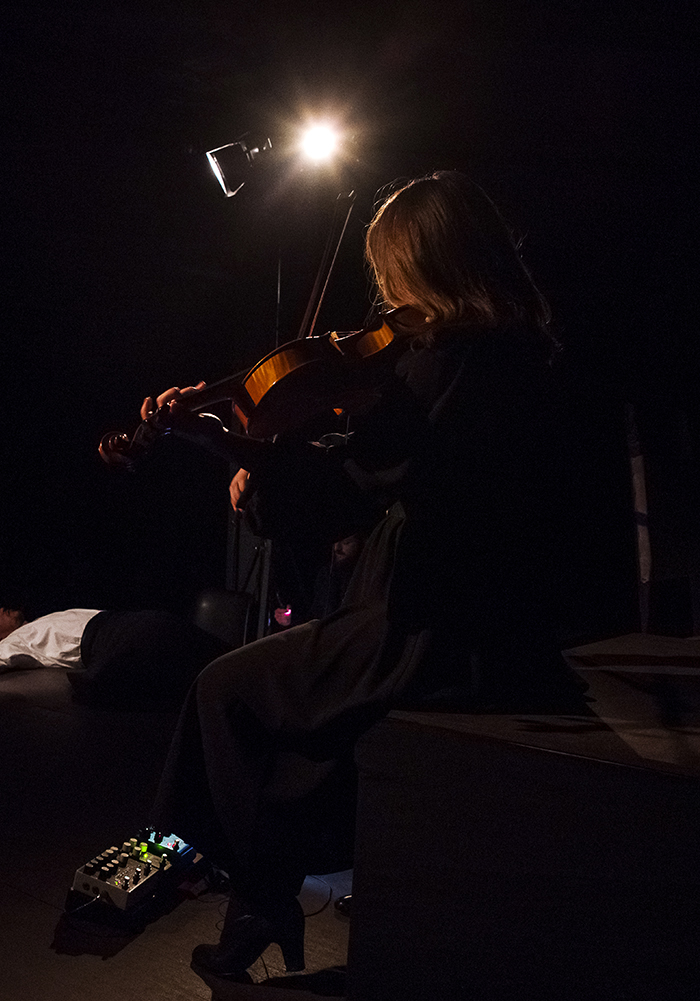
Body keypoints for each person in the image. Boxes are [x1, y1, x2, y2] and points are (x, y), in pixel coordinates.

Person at [139, 172, 586, 978]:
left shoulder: (456, 362)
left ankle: (250, 894)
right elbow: (363, 480)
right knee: (281, 719)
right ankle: (259, 908)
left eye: (389, 273)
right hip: (451, 610)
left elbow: (366, 485)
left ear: (428, 263)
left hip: (432, 626)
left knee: (225, 689)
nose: (382, 298)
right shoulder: (503, 355)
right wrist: (247, 449)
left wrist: (256, 450)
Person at [0, 606, 231, 709]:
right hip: (108, 641)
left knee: (182, 637)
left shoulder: (39, 621)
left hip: (122, 621)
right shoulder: (12, 644)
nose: (0, 611)